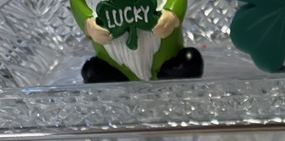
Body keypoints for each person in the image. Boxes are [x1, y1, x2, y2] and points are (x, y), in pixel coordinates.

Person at [70, 0, 203, 81]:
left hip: (165, 57)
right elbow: (78, 4)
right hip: (115, 63)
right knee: (93, 72)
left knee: (189, 61)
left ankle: (170, 76)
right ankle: (119, 80)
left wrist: (171, 14)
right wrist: (89, 25)